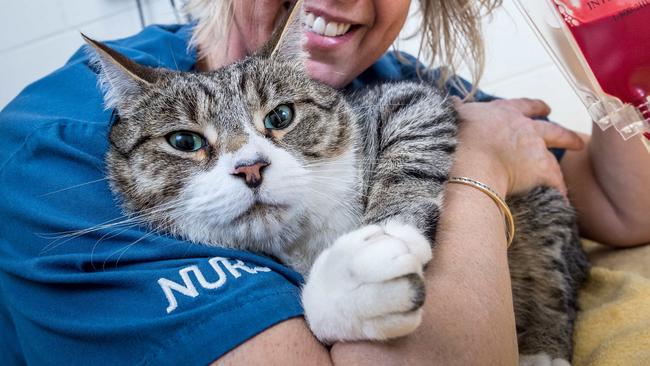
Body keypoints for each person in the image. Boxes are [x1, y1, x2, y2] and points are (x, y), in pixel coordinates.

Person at [0, 0, 647, 365]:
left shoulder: (376, 75)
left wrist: (622, 41)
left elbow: (622, 208)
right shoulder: (59, 156)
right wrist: (476, 159)